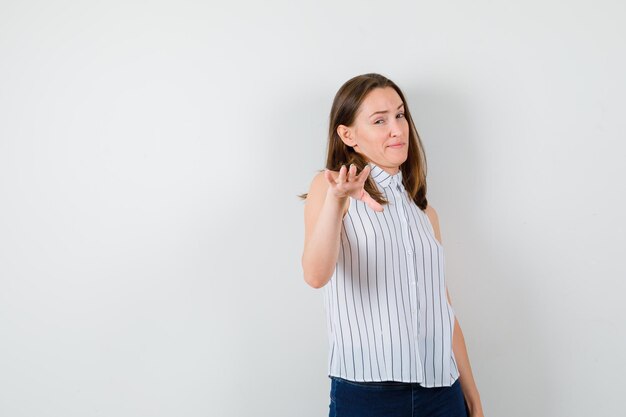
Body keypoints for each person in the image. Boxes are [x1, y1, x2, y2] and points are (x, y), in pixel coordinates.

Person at [301, 73, 485, 417]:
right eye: (380, 120)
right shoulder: (330, 189)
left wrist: (472, 398)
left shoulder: (424, 212)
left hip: (443, 391)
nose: (397, 129)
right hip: (367, 395)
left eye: (400, 115)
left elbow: (443, 308)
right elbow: (315, 275)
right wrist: (337, 204)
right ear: (348, 135)